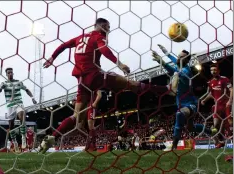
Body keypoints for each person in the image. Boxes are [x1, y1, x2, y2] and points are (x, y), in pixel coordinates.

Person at [41, 18, 174, 153]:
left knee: (76, 117)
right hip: (95, 76)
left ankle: (52, 137)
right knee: (130, 84)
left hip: (82, 80)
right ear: (101, 25)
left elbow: (63, 45)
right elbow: (104, 49)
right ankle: (166, 89)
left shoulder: (80, 37)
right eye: (108, 27)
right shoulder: (98, 36)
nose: (109, 30)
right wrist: (120, 64)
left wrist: (52, 58)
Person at [152, 45, 216, 151]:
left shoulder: (186, 72)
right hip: (180, 103)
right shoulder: (179, 64)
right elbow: (174, 60)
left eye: (181, 57)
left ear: (186, 61)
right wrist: (165, 51)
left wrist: (162, 62)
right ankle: (211, 131)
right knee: (191, 128)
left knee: (179, 114)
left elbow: (172, 70)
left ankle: (174, 147)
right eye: (178, 56)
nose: (177, 58)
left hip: (191, 103)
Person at [39, 90, 103, 153]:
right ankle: (90, 145)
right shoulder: (92, 85)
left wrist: (95, 102)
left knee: (87, 123)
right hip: (86, 98)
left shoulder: (93, 88)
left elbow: (99, 94)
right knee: (79, 126)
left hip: (90, 103)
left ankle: (91, 146)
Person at [0, 67, 37, 152]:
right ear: (6, 74)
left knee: (22, 116)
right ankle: (14, 142)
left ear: (13, 73)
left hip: (19, 103)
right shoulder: (4, 83)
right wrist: (0, 88)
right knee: (11, 125)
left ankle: (23, 137)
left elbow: (26, 89)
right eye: (8, 73)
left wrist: (32, 97)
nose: (10, 74)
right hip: (10, 106)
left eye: (11, 72)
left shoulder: (18, 82)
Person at [201, 63, 233, 148]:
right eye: (211, 70)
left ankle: (227, 140)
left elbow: (231, 89)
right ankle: (217, 142)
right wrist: (204, 99)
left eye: (215, 70)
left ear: (218, 71)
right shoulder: (210, 82)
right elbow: (211, 94)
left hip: (226, 105)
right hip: (217, 106)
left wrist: (230, 100)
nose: (213, 71)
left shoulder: (224, 79)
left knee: (230, 123)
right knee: (215, 126)